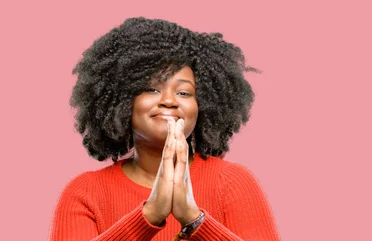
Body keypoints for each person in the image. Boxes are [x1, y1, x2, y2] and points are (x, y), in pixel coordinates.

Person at [50, 17, 280, 240]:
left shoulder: (233, 182)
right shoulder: (85, 192)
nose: (169, 100)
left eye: (184, 92)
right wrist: (150, 214)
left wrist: (194, 220)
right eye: (151, 89)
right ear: (121, 101)